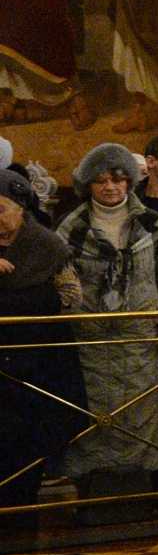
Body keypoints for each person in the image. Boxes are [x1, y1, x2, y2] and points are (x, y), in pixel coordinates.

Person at [57, 143, 158, 502]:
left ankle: (149, 497)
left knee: (145, 414)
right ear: (88, 185)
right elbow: (59, 279)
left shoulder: (152, 222)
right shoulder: (73, 227)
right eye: (101, 181)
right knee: (95, 421)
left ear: (129, 182)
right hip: (92, 342)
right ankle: (95, 497)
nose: (110, 188)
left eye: (117, 179)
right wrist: (73, 315)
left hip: (140, 340)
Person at [0, 188, 81, 517]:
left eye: (2, 209)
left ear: (21, 210)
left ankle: (21, 510)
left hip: (36, 360)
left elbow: (70, 298)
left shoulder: (46, 245)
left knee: (28, 436)